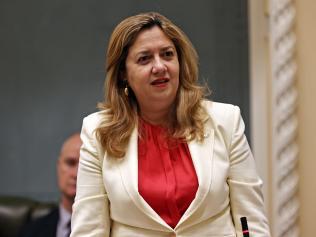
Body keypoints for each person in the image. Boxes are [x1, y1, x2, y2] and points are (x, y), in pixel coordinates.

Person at [70, 12, 271, 236]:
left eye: (167, 54)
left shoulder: (225, 120)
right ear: (123, 73)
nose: (159, 66)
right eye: (144, 59)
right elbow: (89, 229)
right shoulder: (98, 131)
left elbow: (251, 219)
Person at [20, 133, 82, 237]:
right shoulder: (30, 231)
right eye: (70, 163)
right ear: (58, 166)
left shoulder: (115, 231)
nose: (76, 174)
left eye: (84, 166)